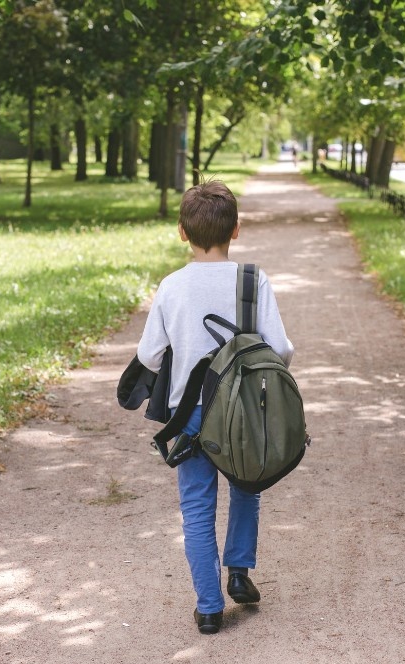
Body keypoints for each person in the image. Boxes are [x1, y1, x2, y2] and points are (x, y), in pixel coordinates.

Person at [136, 179, 294, 635]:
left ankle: (208, 607)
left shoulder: (172, 286)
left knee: (197, 506)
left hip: (190, 415)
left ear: (182, 233)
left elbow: (149, 355)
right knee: (249, 483)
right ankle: (240, 570)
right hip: (244, 411)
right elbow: (280, 349)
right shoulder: (253, 280)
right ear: (237, 230)